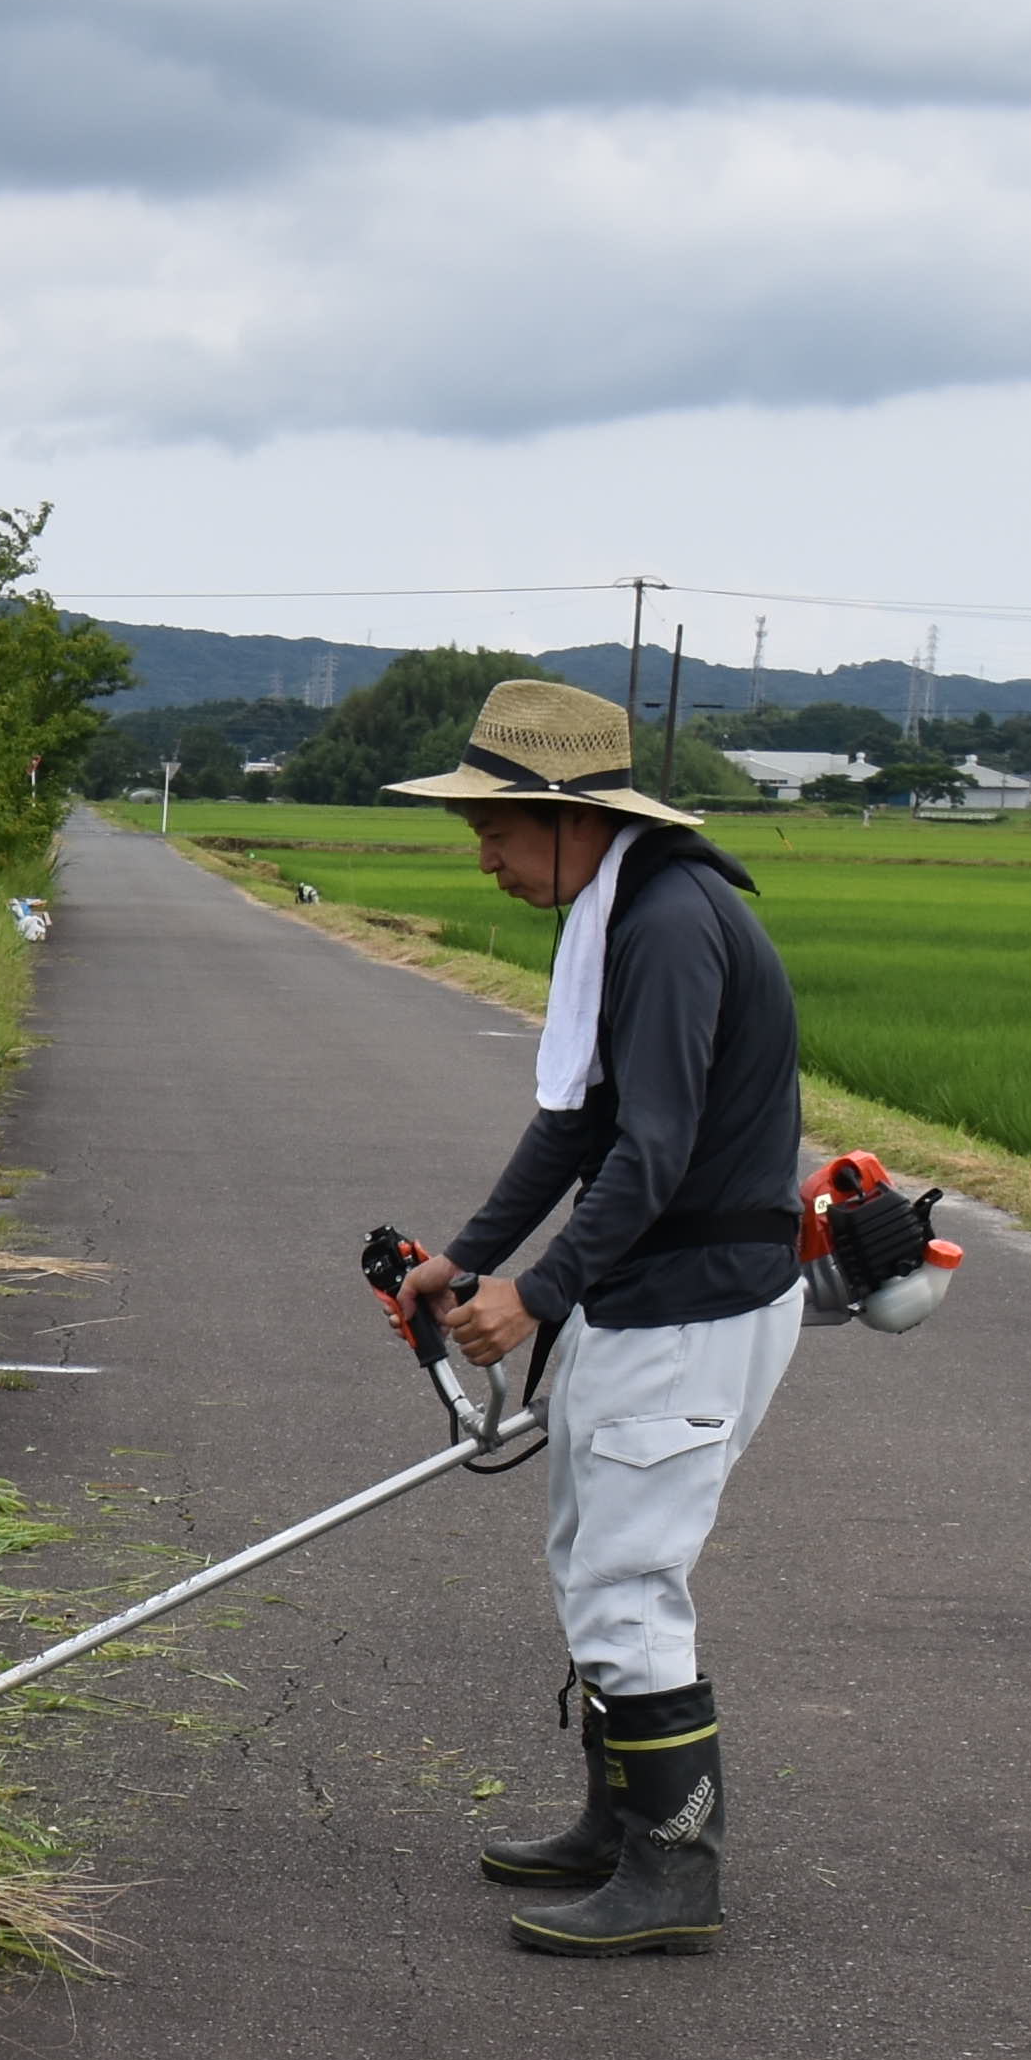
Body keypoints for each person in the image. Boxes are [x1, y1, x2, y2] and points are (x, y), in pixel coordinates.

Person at [383, 675, 812, 1957]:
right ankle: (618, 1826)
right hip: (649, 1299)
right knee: (591, 1558)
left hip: (691, 1305)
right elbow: (577, 1121)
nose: (486, 859)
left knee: (629, 1578)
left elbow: (660, 1143)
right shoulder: (620, 911)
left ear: (570, 817)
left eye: (497, 831)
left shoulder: (669, 921)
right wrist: (467, 1256)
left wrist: (538, 1291)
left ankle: (676, 1873)